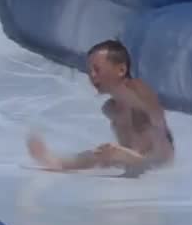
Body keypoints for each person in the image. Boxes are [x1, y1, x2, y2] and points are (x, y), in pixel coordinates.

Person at [27, 39, 175, 176]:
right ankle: (60, 162)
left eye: (97, 69)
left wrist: (137, 158)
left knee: (114, 153)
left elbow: (162, 136)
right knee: (101, 154)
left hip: (157, 163)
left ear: (121, 70)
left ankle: (132, 158)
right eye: (90, 70)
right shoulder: (111, 108)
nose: (92, 75)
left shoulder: (139, 92)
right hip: (137, 163)